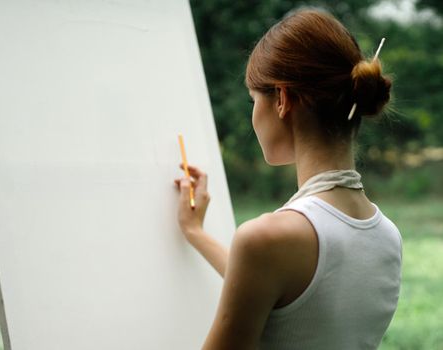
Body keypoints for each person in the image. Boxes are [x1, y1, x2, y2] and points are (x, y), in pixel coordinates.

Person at [173, 7, 403, 350]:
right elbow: (291, 301)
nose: (253, 114)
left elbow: (272, 273)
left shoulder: (267, 241)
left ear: (281, 99)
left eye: (254, 100)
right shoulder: (387, 236)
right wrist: (195, 232)